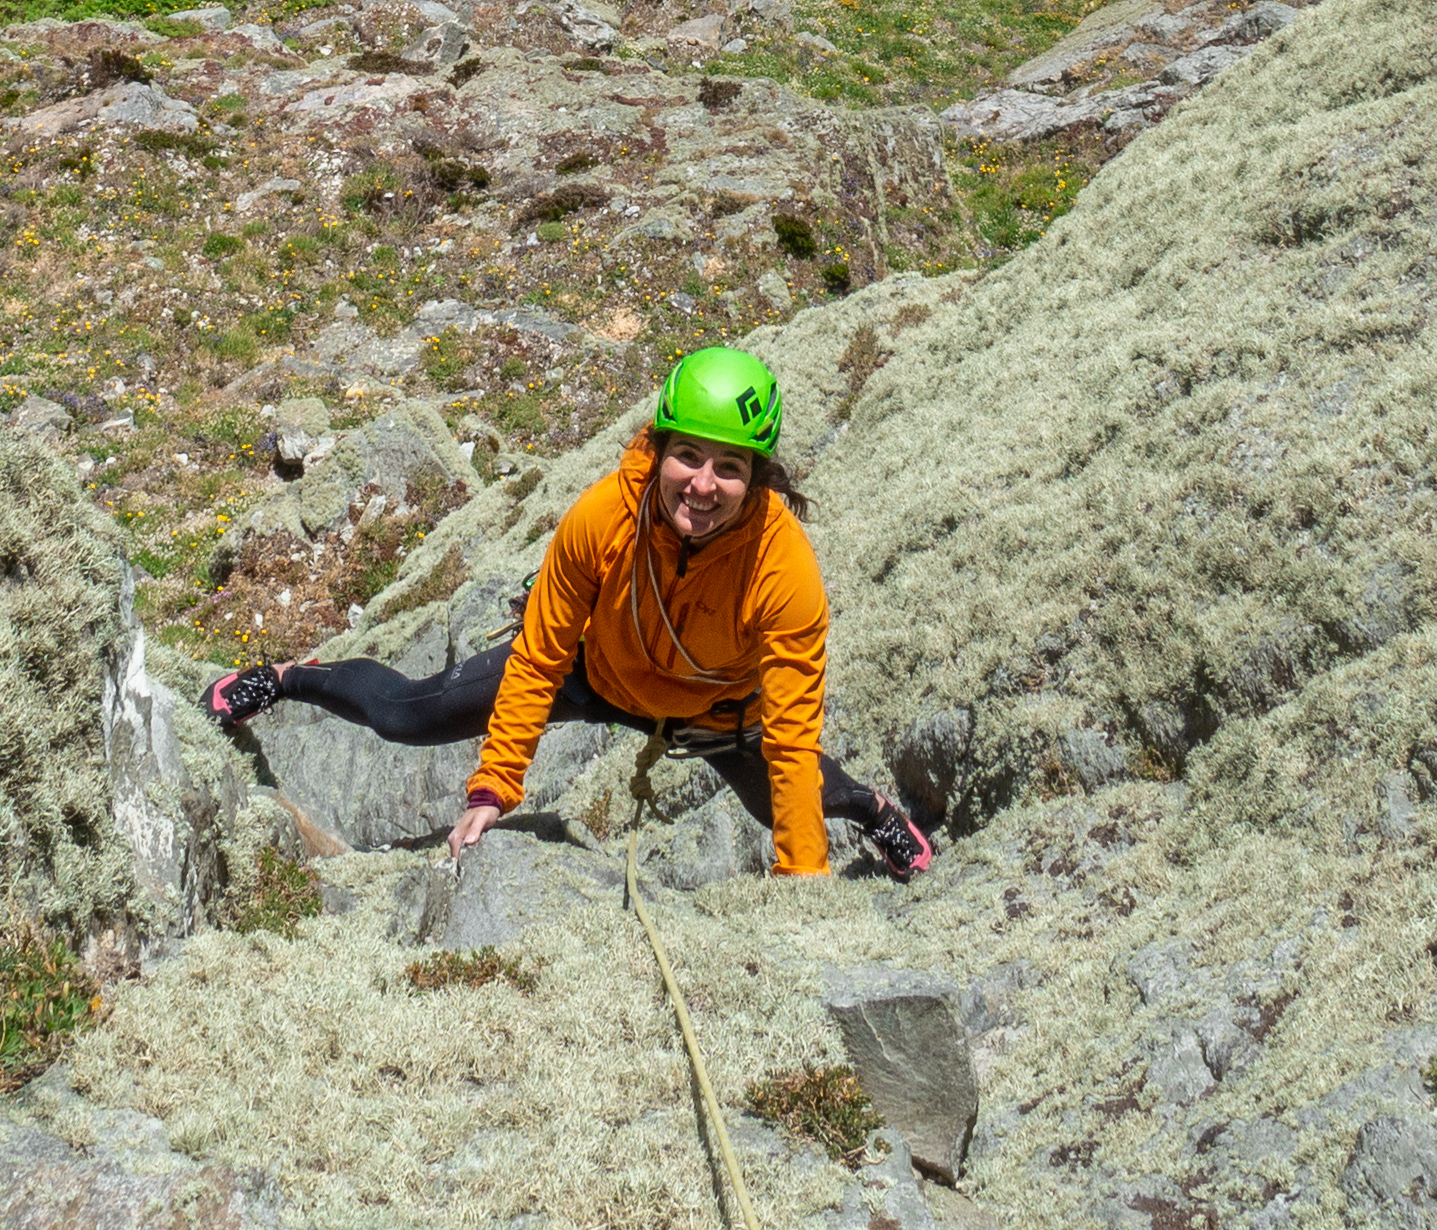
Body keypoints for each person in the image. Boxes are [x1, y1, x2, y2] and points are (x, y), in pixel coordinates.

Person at [205, 343, 930, 879]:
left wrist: (802, 882)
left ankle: (873, 812)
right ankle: (292, 678)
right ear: (660, 449)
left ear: (758, 477)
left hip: (715, 709)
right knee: (406, 715)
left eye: (729, 467)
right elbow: (542, 655)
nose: (703, 485)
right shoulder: (602, 517)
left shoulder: (784, 567)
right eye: (689, 456)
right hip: (601, 671)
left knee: (788, 806)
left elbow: (794, 736)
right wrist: (494, 788)